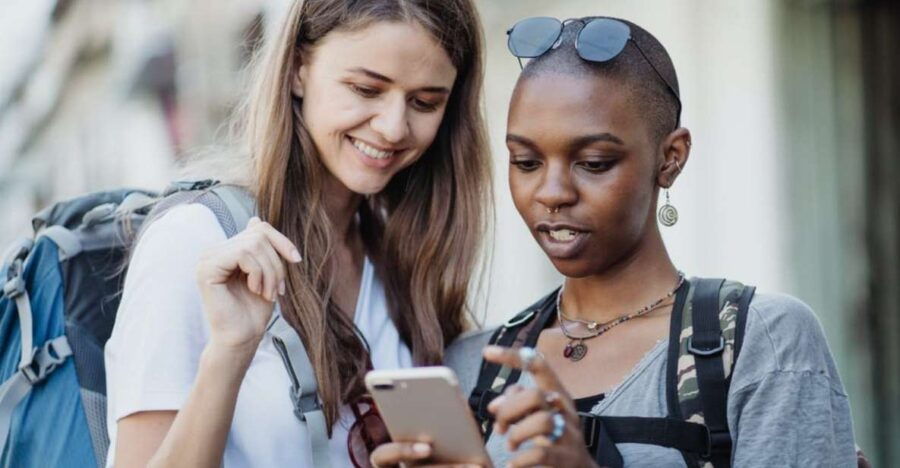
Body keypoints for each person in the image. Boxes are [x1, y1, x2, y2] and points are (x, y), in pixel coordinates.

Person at [371, 16, 856, 467]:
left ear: (670, 158)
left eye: (595, 162)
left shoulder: (759, 341)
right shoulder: (474, 369)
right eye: (526, 162)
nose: (552, 193)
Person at [103, 1, 491, 466]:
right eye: (366, 89)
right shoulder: (195, 239)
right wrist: (230, 352)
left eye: (425, 102)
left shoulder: (401, 253)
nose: (393, 128)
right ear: (298, 68)